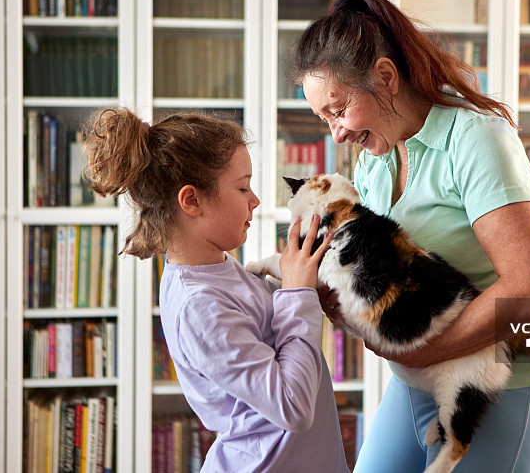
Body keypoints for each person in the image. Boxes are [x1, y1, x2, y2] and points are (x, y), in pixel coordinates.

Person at [289, 0, 530, 473]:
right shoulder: (375, 164)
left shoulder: (476, 138)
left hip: (501, 386)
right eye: (323, 118)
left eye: (338, 110)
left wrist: (423, 351)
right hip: (415, 382)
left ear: (386, 77)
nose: (336, 132)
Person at [82, 108, 349, 473]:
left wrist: (301, 286)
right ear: (191, 200)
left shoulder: (217, 269)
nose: (254, 200)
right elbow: (293, 406)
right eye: (242, 187)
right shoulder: (198, 305)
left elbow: (269, 328)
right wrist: (298, 294)